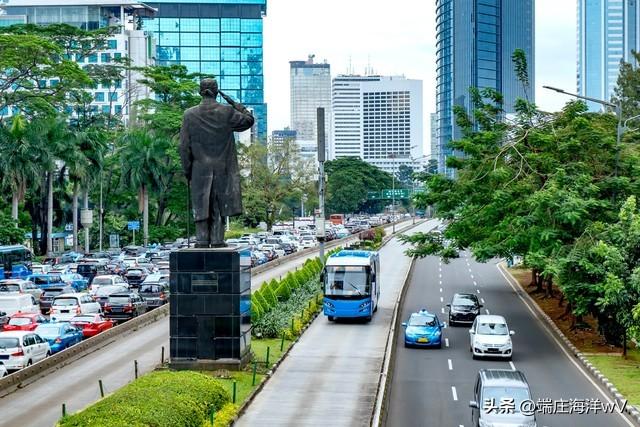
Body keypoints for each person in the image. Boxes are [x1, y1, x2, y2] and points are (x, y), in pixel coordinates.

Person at [179, 79, 254, 248]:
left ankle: (201, 240)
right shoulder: (226, 112)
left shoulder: (189, 114)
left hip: (199, 169)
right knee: (218, 205)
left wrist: (187, 170)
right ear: (216, 91)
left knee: (201, 205)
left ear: (200, 91)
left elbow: (183, 146)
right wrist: (234, 103)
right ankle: (218, 239)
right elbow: (249, 120)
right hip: (222, 168)